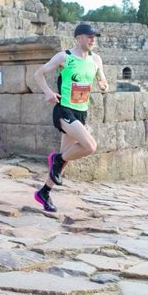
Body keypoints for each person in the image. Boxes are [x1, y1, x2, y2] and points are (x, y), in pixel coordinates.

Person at [32, 23, 108, 212]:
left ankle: (44, 192)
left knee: (64, 160)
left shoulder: (96, 59)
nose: (92, 40)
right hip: (64, 110)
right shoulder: (64, 57)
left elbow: (102, 79)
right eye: (89, 36)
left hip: (81, 111)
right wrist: (48, 92)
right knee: (90, 146)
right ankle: (56, 159)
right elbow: (38, 73)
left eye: (94, 37)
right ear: (79, 38)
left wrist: (103, 84)